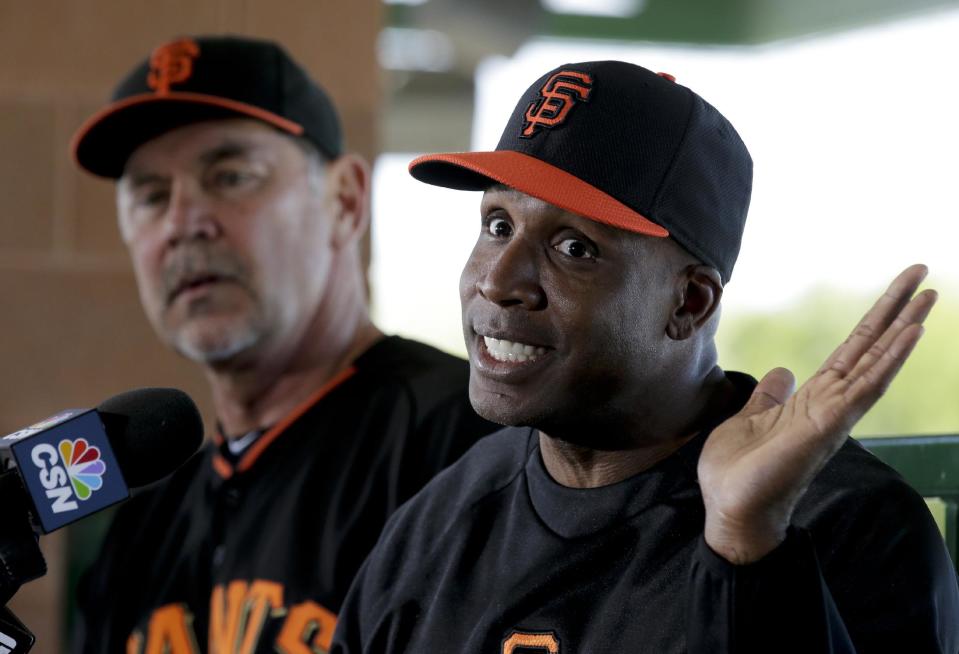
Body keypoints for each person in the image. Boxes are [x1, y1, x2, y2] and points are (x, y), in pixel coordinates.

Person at [331, 61, 959, 653]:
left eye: (574, 247)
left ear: (688, 301)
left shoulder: (848, 522)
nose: (499, 280)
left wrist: (747, 546)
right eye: (498, 225)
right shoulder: (440, 521)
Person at [68, 35, 495, 652]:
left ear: (346, 201)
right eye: (151, 196)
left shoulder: (468, 443)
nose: (184, 222)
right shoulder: (144, 519)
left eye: (231, 175)